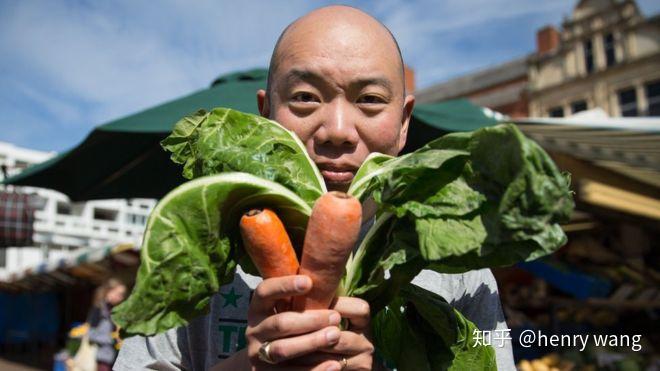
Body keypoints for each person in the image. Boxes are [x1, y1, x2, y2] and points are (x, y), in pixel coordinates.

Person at [114, 5, 515, 371]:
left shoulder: (459, 267)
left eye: (370, 99)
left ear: (404, 122)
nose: (337, 131)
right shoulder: (196, 251)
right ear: (266, 114)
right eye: (305, 97)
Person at [88, 277, 127, 371]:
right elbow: (91, 334)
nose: (121, 298)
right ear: (109, 291)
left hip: (116, 357)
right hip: (102, 358)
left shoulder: (115, 311)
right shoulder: (98, 310)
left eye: (122, 295)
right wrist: (112, 338)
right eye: (119, 294)